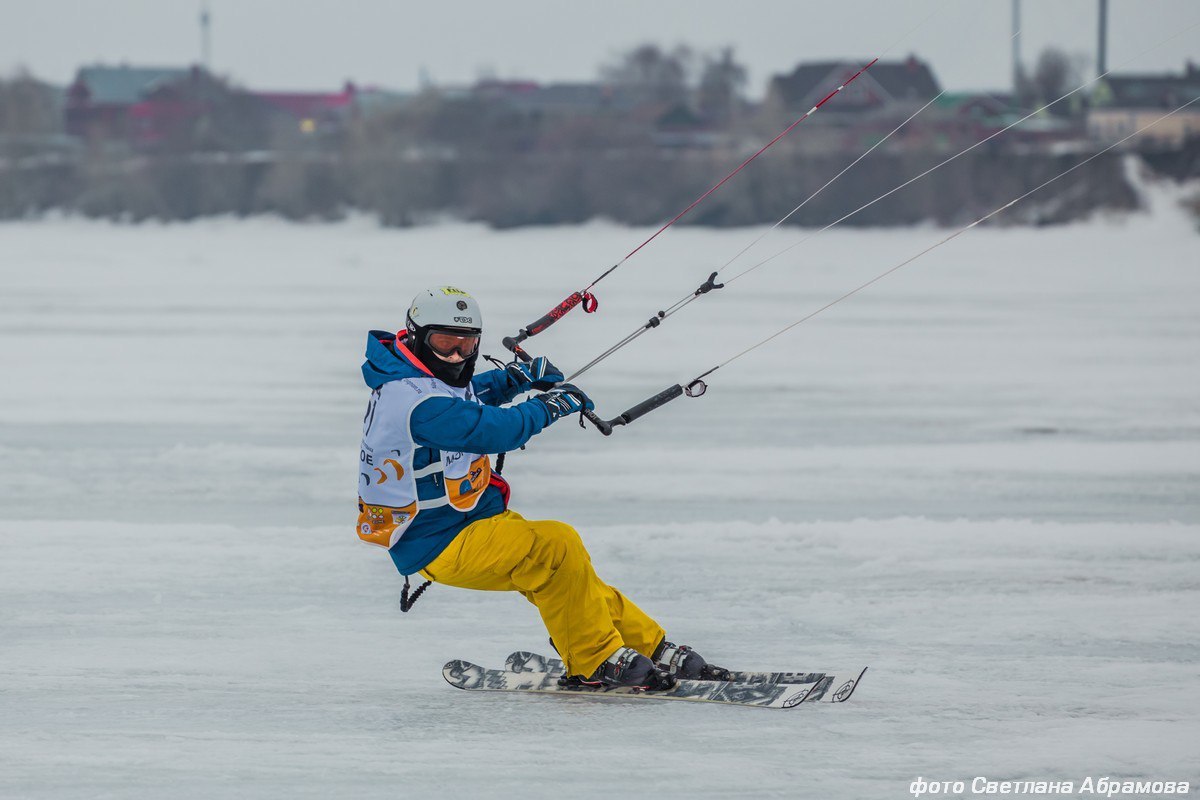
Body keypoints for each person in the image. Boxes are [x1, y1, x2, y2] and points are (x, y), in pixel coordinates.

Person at [357, 286, 727, 689]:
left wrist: (512, 379)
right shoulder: (411, 400)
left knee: (570, 572)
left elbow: (467, 395)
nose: (457, 357)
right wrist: (550, 405)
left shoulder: (417, 376)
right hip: (436, 541)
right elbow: (492, 429)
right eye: (445, 344)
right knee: (555, 545)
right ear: (415, 336)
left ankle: (649, 646)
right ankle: (595, 660)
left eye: (467, 346)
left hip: (470, 523)